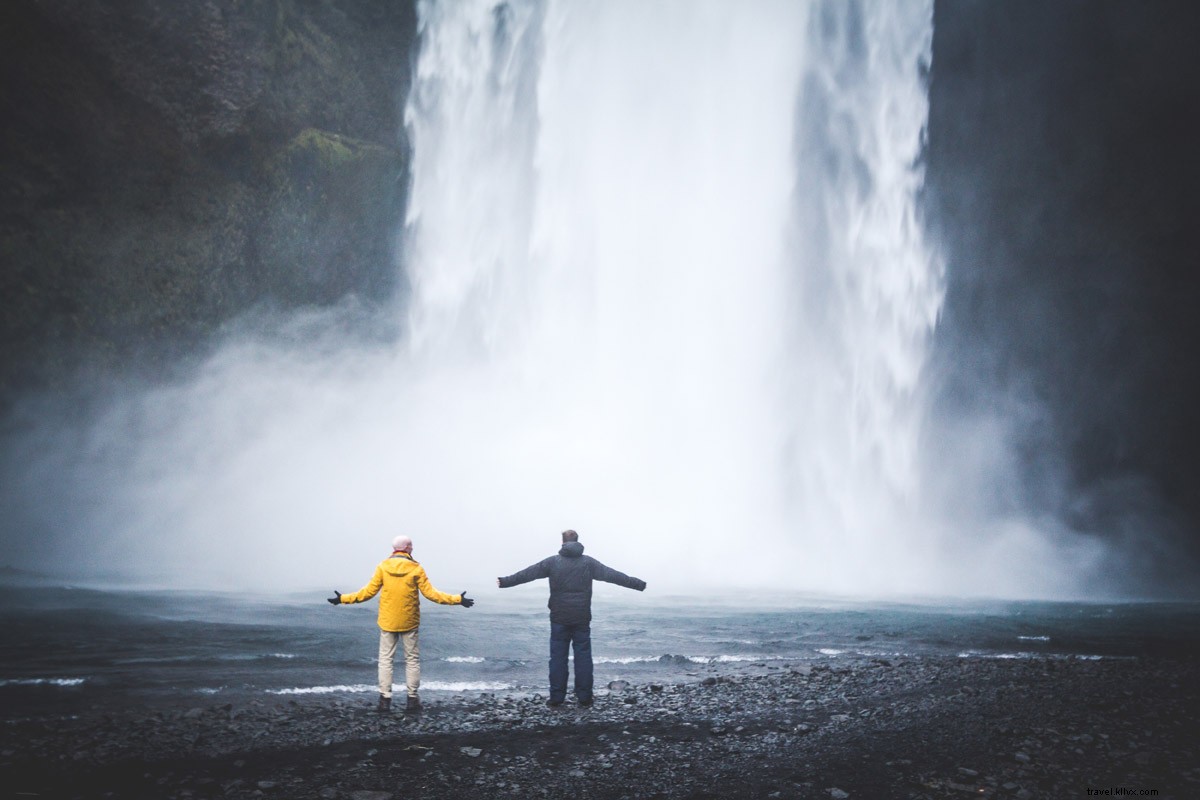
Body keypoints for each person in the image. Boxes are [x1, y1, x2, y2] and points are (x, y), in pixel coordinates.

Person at [497, 529, 646, 707]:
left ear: (562, 543)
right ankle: (584, 697)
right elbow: (613, 575)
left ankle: (556, 698)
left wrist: (506, 581)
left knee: (558, 658)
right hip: (581, 617)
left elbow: (528, 574)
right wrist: (638, 584)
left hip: (559, 618)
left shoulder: (552, 562)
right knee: (583, 657)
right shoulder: (588, 563)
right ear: (577, 542)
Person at [328, 535, 474, 713]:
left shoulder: (382, 567)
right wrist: (458, 599)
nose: (412, 547)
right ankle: (412, 700)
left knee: (385, 660)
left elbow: (367, 593)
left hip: (388, 622)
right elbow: (432, 595)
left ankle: (384, 700)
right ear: (406, 548)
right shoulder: (416, 569)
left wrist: (342, 599)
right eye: (411, 545)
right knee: (411, 660)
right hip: (409, 622)